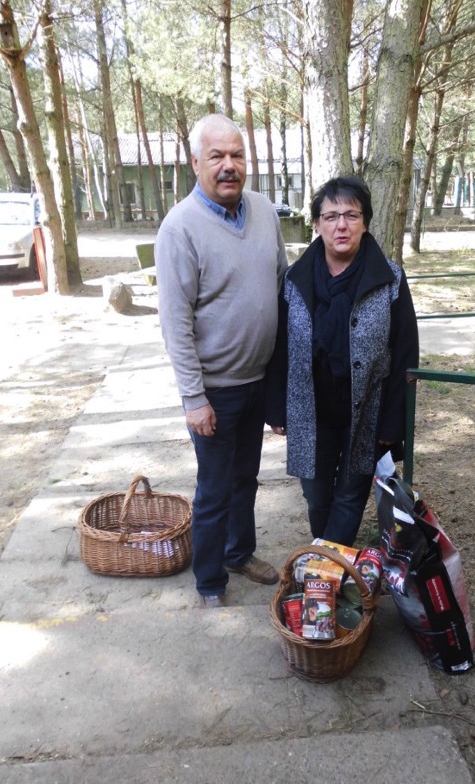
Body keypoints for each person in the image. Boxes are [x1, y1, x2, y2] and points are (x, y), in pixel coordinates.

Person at [155, 114, 288, 608]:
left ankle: (239, 553)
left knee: (246, 479)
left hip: (258, 380)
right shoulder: (180, 228)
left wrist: (279, 383)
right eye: (217, 156)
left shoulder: (264, 211)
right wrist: (194, 398)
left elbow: (281, 283)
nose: (229, 165)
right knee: (214, 489)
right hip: (213, 390)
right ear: (196, 163)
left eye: (237, 155)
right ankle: (210, 580)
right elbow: (175, 323)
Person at [266, 176, 419, 547]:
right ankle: (329, 554)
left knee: (350, 494)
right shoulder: (294, 279)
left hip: (367, 410)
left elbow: (405, 353)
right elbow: (280, 346)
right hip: (310, 410)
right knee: (315, 494)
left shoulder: (390, 278)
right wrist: (277, 408)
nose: (341, 225)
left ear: (365, 222)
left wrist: (393, 421)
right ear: (317, 224)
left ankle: (327, 564)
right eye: (331, 216)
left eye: (352, 215)